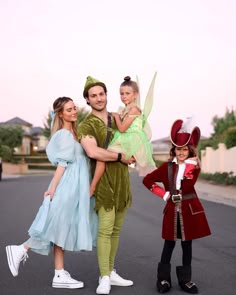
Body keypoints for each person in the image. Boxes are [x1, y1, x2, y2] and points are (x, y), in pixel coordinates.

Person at [6, 97, 96, 289]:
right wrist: (53, 188)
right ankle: (21, 249)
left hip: (75, 186)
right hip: (68, 186)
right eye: (69, 110)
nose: (73, 112)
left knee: (60, 229)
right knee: (55, 224)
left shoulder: (74, 133)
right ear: (60, 114)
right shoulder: (64, 134)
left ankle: (58, 274)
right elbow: (62, 164)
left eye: (74, 108)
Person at [78, 76, 134, 295]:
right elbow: (93, 152)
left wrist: (132, 154)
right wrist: (120, 156)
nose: (99, 98)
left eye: (102, 94)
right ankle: (103, 277)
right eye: (94, 96)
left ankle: (110, 272)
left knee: (116, 231)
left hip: (122, 180)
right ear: (87, 100)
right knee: (105, 230)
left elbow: (131, 142)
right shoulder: (87, 124)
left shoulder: (117, 118)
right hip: (103, 183)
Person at [142, 118, 211, 294]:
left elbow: (186, 186)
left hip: (188, 211)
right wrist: (164, 194)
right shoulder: (166, 167)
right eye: (179, 149)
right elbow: (147, 180)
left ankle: (186, 280)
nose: (181, 152)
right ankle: (163, 279)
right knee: (169, 244)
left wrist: (190, 164)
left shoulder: (193, 168)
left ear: (190, 150)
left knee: (187, 245)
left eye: (185, 149)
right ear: (174, 149)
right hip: (172, 211)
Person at [89, 75, 156, 196]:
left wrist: (115, 117)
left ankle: (93, 186)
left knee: (103, 156)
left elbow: (122, 128)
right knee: (106, 156)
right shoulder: (126, 109)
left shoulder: (134, 109)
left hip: (132, 140)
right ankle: (100, 185)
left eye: (127, 93)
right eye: (122, 94)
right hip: (126, 138)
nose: (124, 96)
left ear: (135, 95)